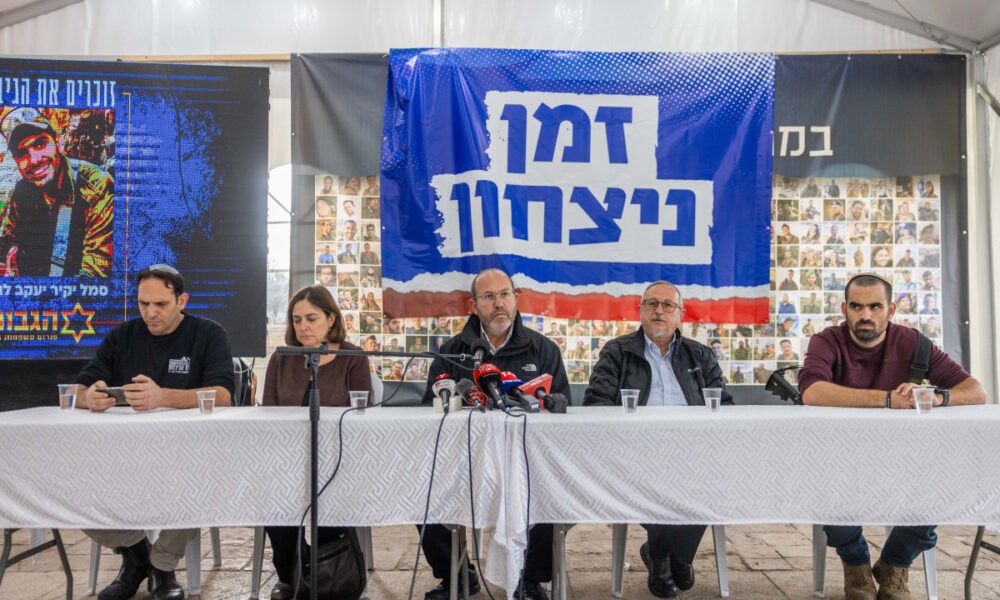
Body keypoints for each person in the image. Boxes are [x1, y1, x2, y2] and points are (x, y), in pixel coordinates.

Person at [798, 273, 986, 600]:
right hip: (842, 456)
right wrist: (887, 399)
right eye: (856, 306)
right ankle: (856, 564)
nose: (865, 315)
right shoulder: (826, 341)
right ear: (844, 309)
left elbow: (976, 391)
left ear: (891, 310)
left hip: (906, 459)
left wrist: (938, 396)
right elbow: (812, 392)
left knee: (940, 486)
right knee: (826, 486)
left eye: (875, 306)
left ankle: (895, 565)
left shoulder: (915, 344)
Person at [74, 265, 234, 600]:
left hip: (188, 453)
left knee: (205, 484)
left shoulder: (208, 333)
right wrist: (88, 397)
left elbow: (222, 396)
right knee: (68, 486)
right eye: (143, 304)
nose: (150, 313)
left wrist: (162, 397)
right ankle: (135, 555)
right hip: (123, 454)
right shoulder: (122, 335)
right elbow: (81, 387)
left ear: (182, 301)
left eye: (160, 304)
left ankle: (162, 565)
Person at [420, 268, 570, 600]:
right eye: (489, 297)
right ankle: (455, 574)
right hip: (463, 463)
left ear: (516, 299)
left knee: (557, 488)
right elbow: (430, 413)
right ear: (473, 305)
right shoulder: (452, 352)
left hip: (531, 462)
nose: (499, 303)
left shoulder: (543, 350)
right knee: (421, 488)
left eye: (505, 295)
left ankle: (531, 577)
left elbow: (563, 411)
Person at [584, 281, 731, 599]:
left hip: (692, 451)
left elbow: (724, 404)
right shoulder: (618, 351)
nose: (659, 311)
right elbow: (596, 402)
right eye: (651, 304)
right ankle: (672, 558)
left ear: (681, 314)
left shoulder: (700, 354)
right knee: (663, 479)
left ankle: (663, 554)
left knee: (709, 476)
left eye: (667, 305)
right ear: (640, 310)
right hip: (635, 452)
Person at [262, 285, 371, 600]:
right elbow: (268, 415)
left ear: (331, 319)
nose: (303, 327)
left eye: (311, 318)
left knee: (329, 503)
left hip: (337, 460)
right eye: (297, 320)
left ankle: (329, 574)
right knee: (273, 499)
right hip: (287, 460)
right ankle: (291, 574)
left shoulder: (353, 357)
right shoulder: (282, 358)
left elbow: (360, 416)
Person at [0, 107, 113, 277]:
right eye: (22, 153)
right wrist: (12, 251)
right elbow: (8, 237)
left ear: (57, 142)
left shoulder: (95, 187)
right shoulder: (23, 189)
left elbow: (95, 276)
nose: (34, 160)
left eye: (40, 144)